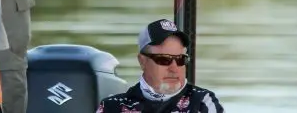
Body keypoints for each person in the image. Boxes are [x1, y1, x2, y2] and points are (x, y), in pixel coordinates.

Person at [96, 19, 225, 113]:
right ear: (142, 61)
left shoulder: (203, 103)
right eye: (164, 59)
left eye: (180, 59)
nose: (174, 68)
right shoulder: (112, 107)